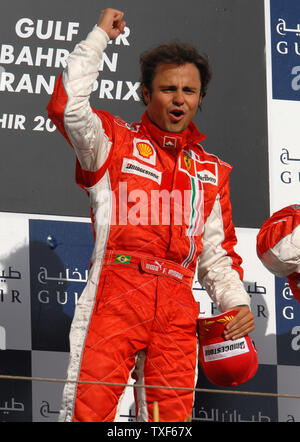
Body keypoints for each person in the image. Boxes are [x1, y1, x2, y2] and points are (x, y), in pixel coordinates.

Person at [47, 8, 255, 422]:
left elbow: (216, 258)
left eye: (190, 91)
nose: (180, 99)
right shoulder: (113, 142)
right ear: (145, 94)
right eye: (168, 89)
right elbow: (67, 107)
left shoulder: (211, 171)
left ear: (200, 99)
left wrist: (236, 304)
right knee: (87, 416)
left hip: (178, 309)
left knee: (168, 425)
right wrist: (98, 38)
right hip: (116, 294)